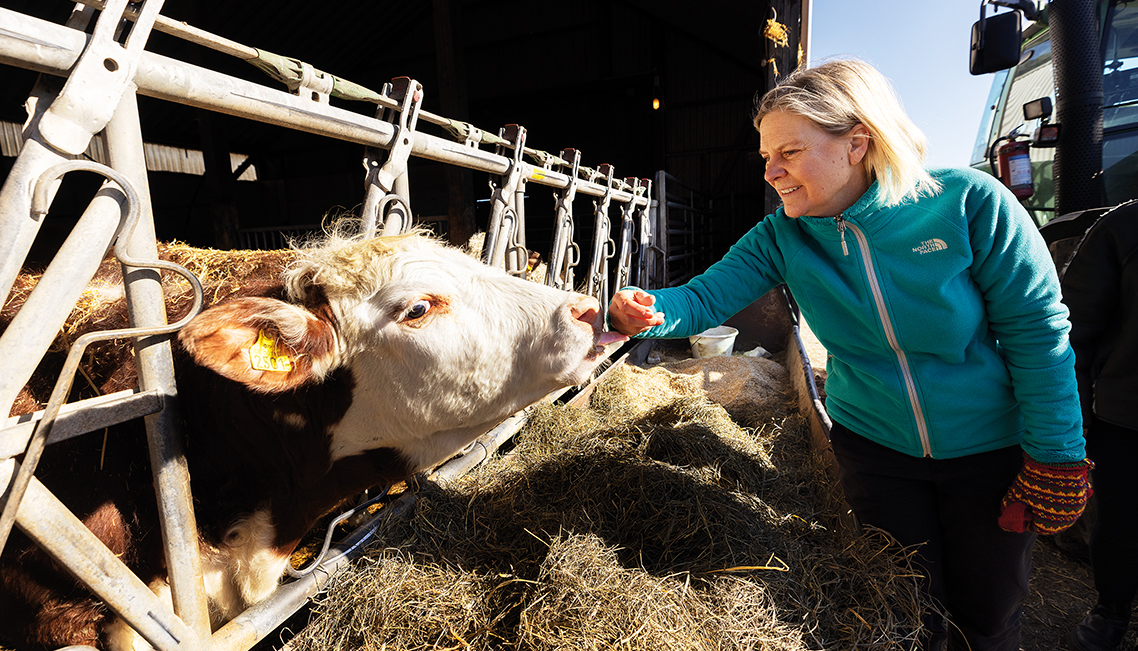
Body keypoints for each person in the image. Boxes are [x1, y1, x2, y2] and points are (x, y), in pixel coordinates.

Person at [608, 59, 1091, 651]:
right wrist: (644, 309)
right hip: (876, 451)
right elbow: (704, 297)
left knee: (988, 614)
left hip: (987, 451)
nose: (771, 172)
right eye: (767, 156)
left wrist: (1056, 455)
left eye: (789, 152)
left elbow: (1037, 331)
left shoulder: (968, 202)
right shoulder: (782, 234)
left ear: (857, 143)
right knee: (904, 609)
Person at [1062, 200, 1138, 651]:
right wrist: (1078, 418)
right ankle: (1111, 609)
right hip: (1127, 417)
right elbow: (1072, 330)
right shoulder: (1123, 227)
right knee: (1121, 524)